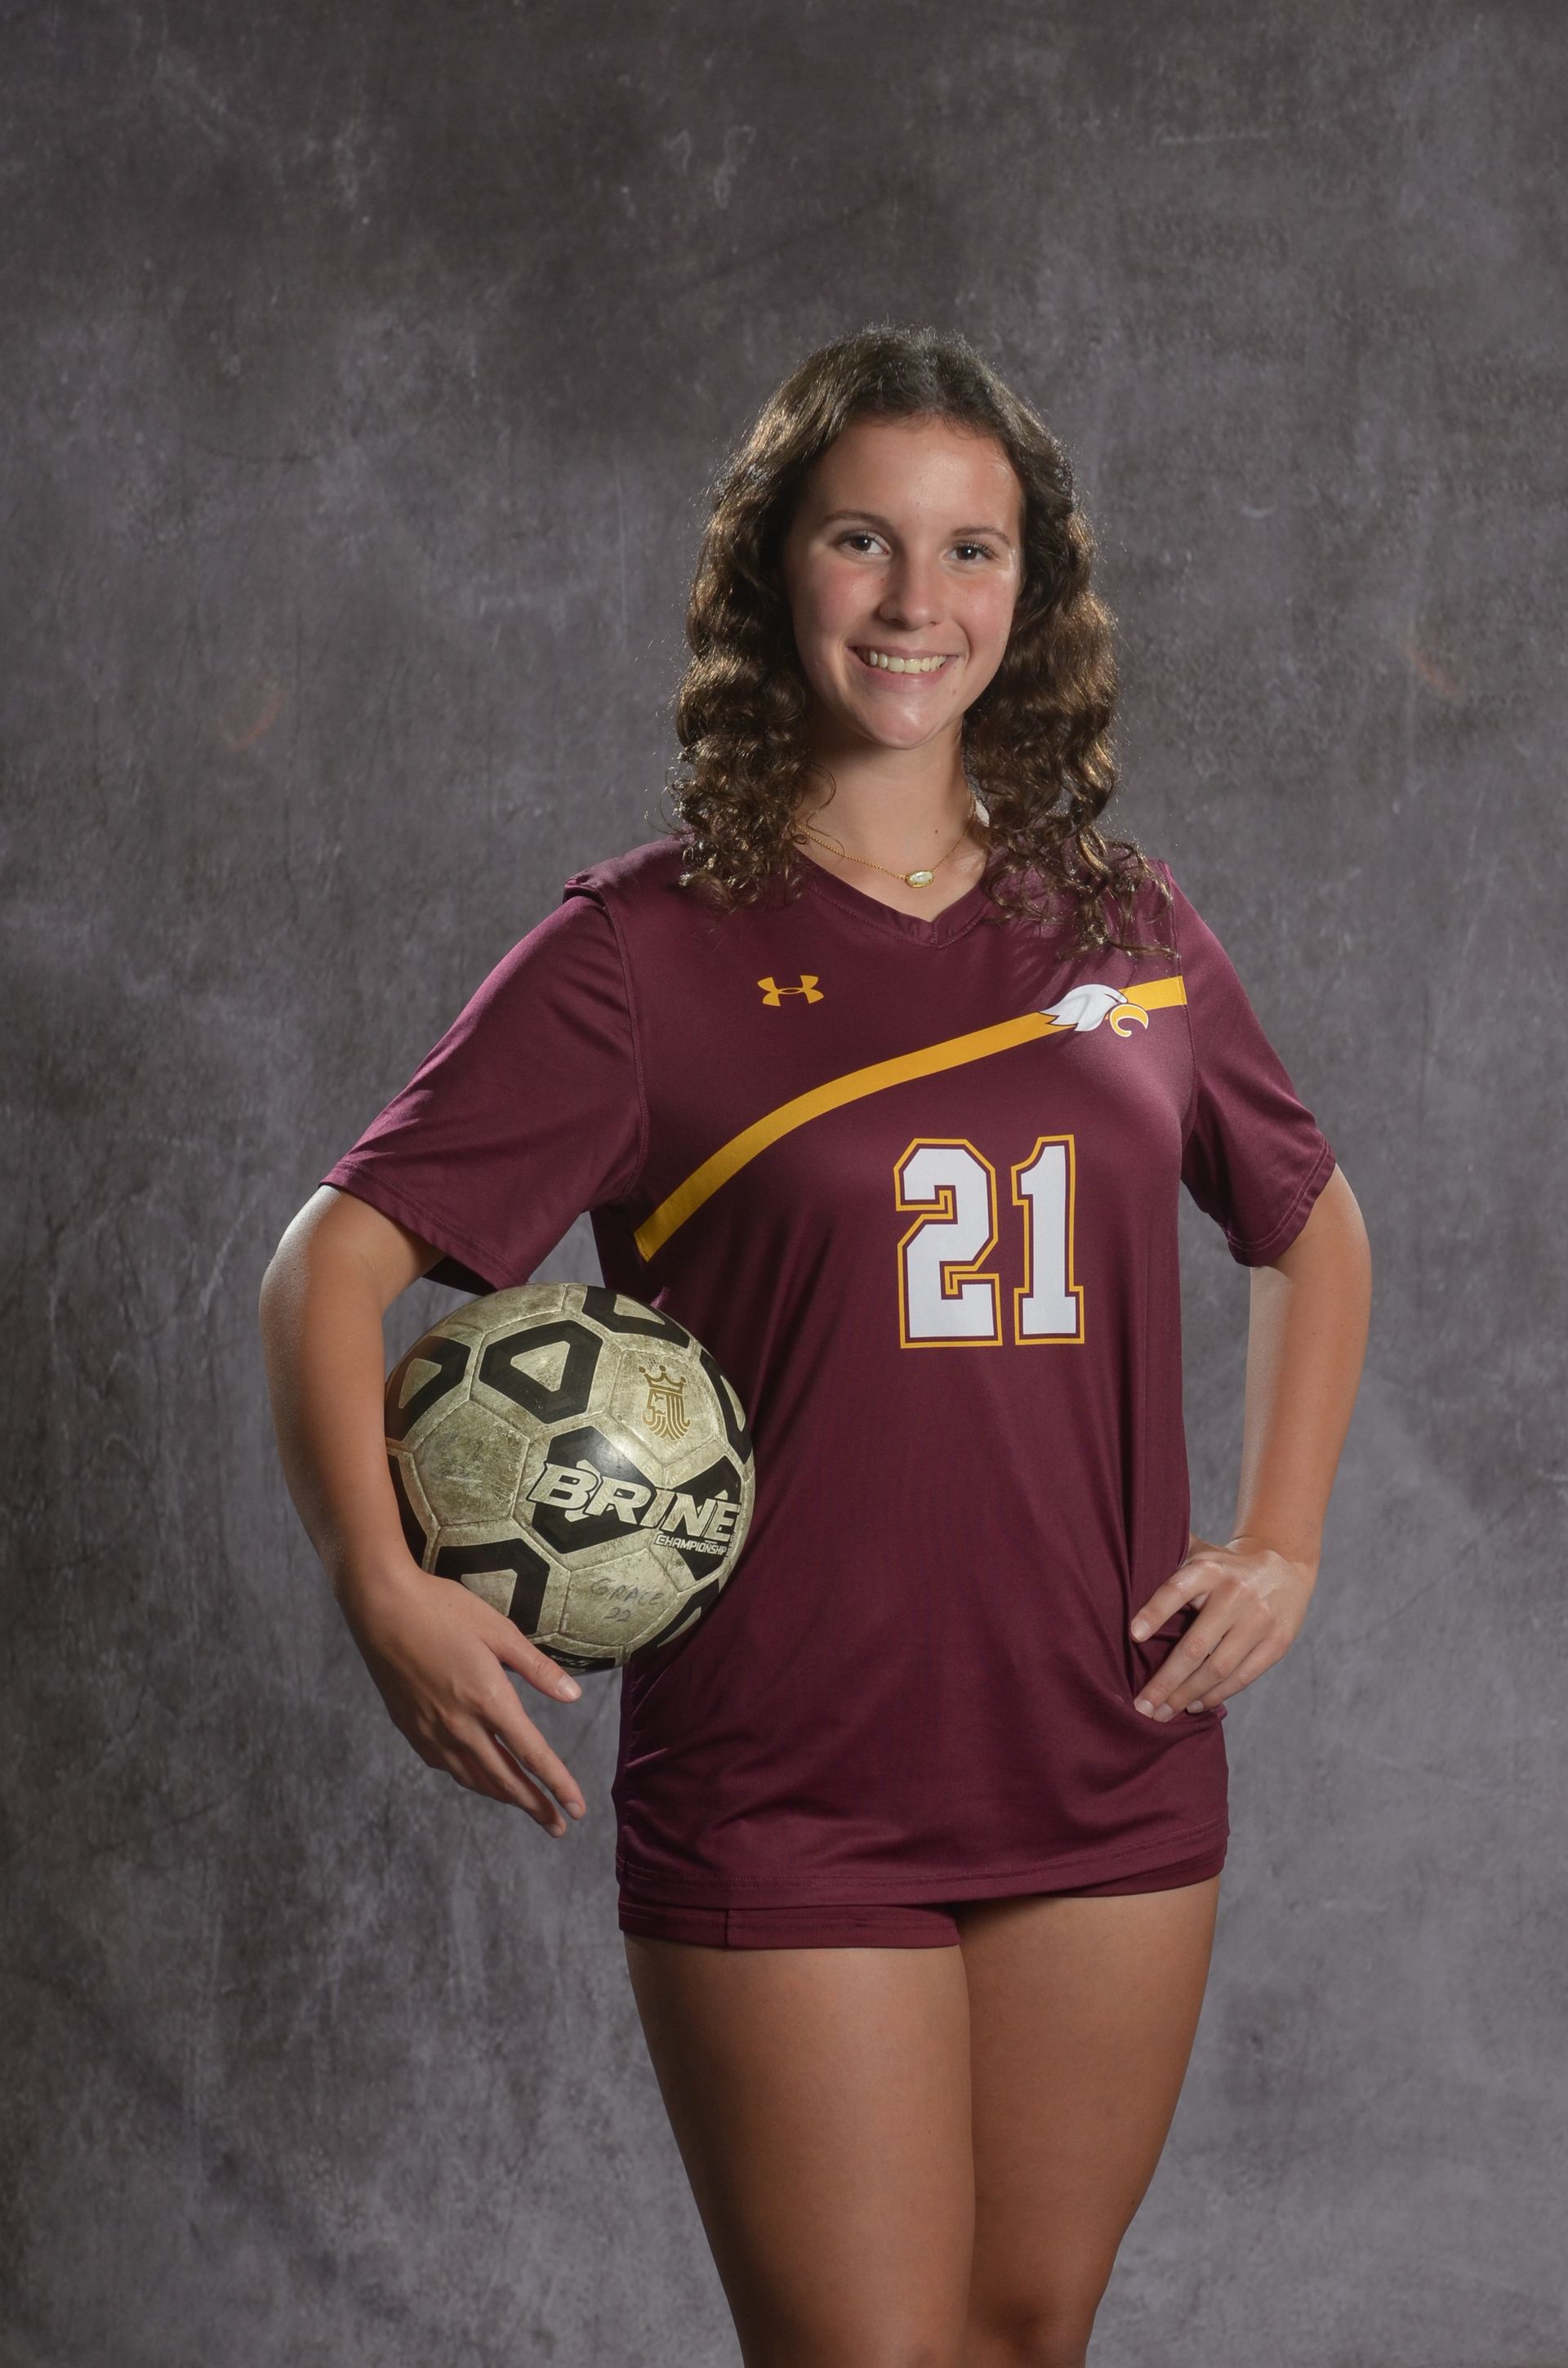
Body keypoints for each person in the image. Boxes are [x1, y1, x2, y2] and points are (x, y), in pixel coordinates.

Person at [259, 323, 1372, 2368]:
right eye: (864, 539)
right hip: (789, 1777)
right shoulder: (641, 950)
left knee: (1027, 2336)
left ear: (1032, 594)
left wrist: (1284, 1538)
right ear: (778, 565)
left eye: (972, 549)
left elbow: (1312, 1220)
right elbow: (327, 1269)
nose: (917, 599)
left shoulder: (1125, 929)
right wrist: (379, 1580)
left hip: (1105, 1748)